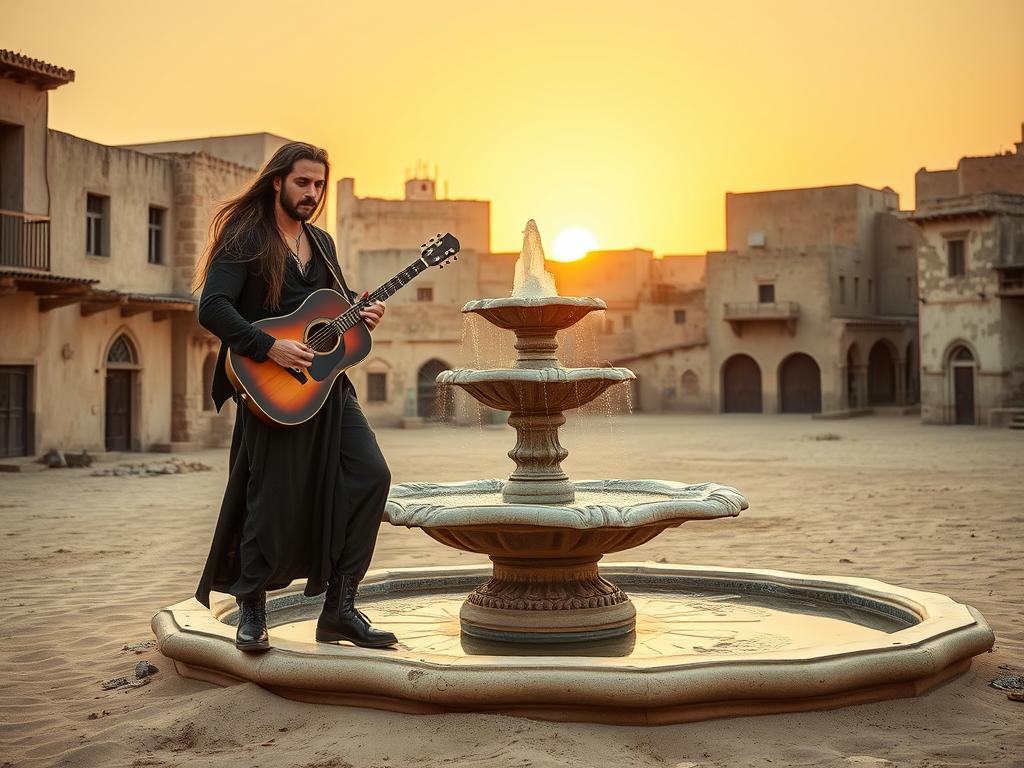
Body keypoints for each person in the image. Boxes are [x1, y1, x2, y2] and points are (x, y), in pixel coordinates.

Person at [191, 142, 397, 652]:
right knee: (270, 501)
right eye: (303, 182)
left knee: (372, 476)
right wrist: (269, 347)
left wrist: (362, 317)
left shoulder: (322, 243)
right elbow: (212, 307)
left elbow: (336, 315)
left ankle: (341, 610)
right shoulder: (245, 237)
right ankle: (253, 608)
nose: (312, 193)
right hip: (270, 390)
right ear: (278, 181)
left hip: (328, 392)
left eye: (320, 185)